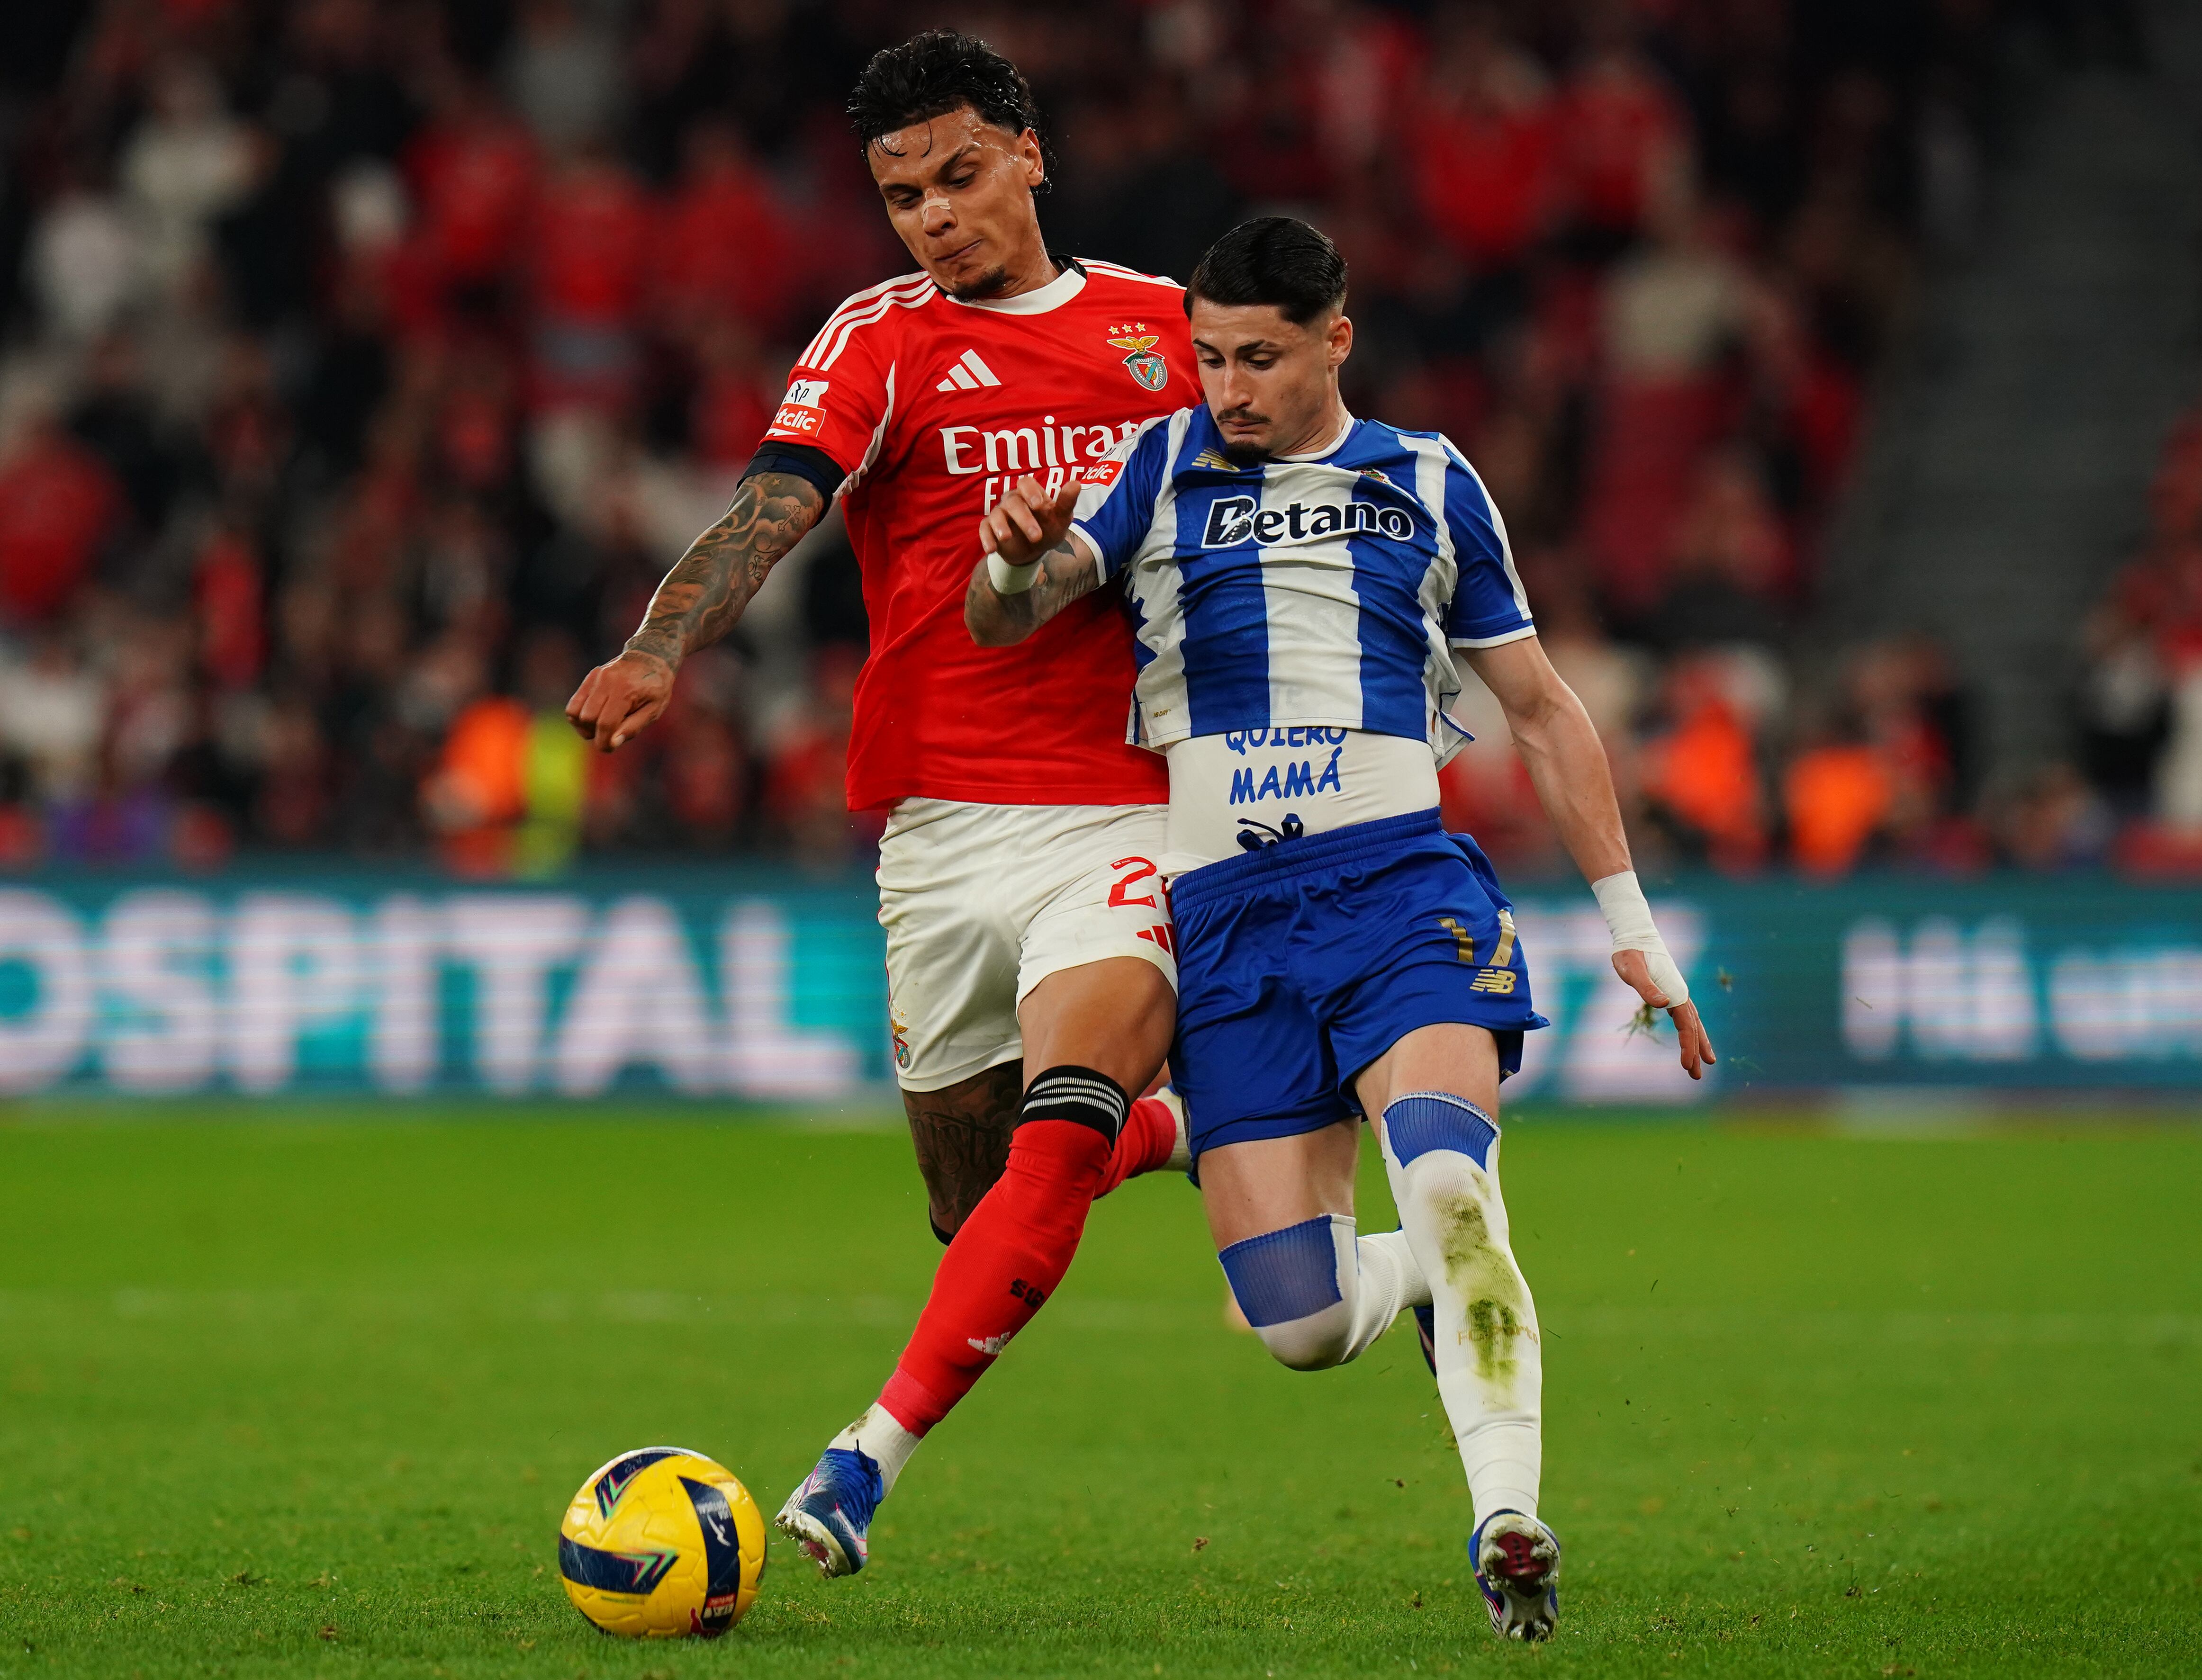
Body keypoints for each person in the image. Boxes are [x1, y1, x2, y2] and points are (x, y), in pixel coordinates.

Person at [965, 217, 1716, 1643]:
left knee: (1448, 1183)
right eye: (1208, 358)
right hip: (1230, 922)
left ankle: (1507, 1516)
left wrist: (1632, 927)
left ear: (1335, 341)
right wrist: (1013, 561)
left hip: (1398, 892)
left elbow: (1541, 708)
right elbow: (1012, 614)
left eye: (1258, 358)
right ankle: (1409, 1256)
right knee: (1302, 1324)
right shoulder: (1157, 466)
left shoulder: (1428, 479)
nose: (1228, 388)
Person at [562, 31, 1203, 1575]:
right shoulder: (880, 337)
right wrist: (658, 646)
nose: (935, 216)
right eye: (904, 195)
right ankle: (1181, 1122)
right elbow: (771, 505)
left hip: (1127, 800)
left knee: (1059, 1123)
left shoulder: (1167, 329)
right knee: (973, 1215)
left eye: (961, 177)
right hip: (940, 822)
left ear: (1030, 155)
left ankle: (863, 1463)